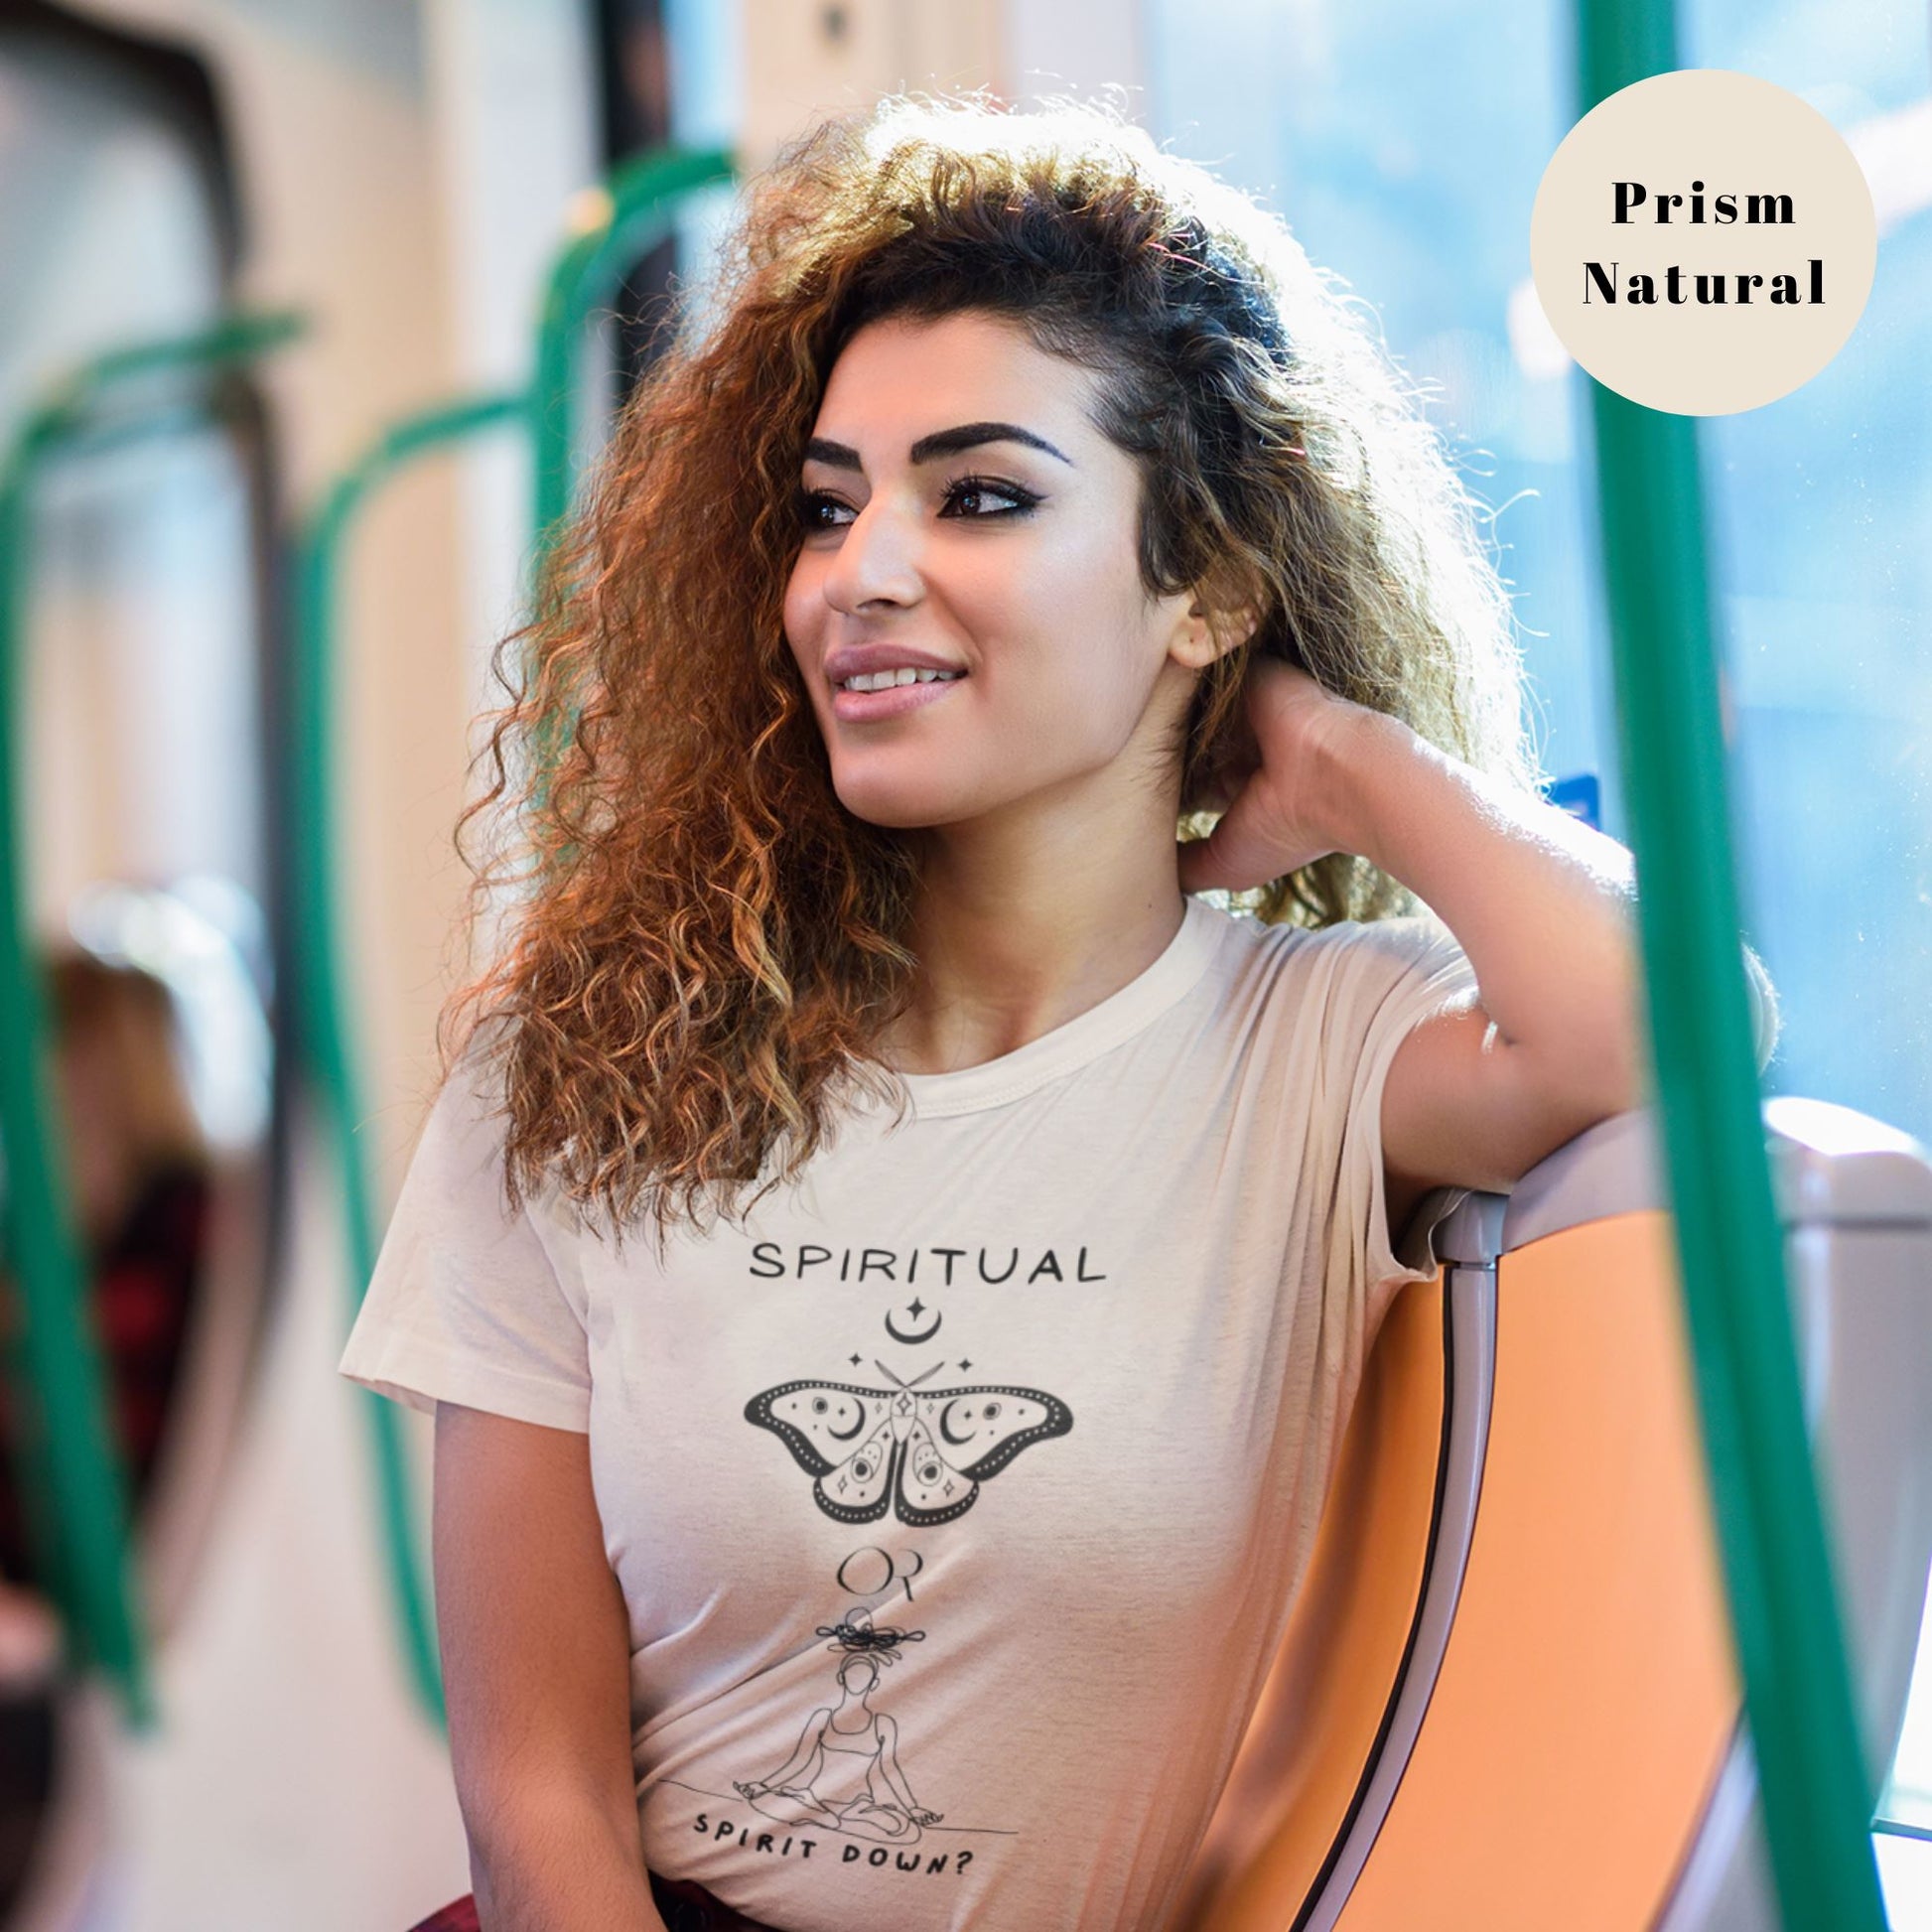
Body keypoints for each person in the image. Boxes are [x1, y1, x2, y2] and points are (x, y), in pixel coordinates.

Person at [340, 91, 1755, 1932]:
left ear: (1204, 587)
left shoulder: (1313, 1053)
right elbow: (535, 1806)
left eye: (982, 495)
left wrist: (1340, 755)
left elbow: (1688, 1033)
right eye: (827, 506)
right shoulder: (587, 1064)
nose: (860, 572)